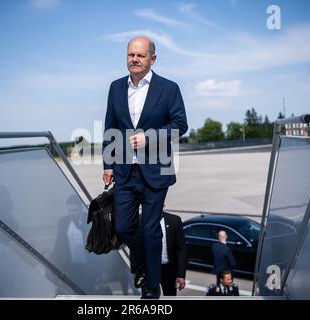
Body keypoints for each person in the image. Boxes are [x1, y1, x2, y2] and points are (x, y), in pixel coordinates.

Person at [102, 36, 188, 299]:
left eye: (140, 55)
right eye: (130, 55)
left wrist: (150, 137)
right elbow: (110, 128)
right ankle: (146, 264)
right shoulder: (116, 88)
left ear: (153, 58)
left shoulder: (168, 88)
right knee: (123, 227)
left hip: (156, 170)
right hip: (125, 170)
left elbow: (180, 125)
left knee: (150, 228)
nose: (134, 59)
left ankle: (151, 289)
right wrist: (107, 164)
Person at [131, 211, 188, 296]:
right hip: (148, 270)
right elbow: (133, 248)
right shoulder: (138, 221)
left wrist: (181, 275)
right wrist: (134, 270)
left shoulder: (174, 220)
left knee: (170, 297)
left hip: (169, 270)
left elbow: (181, 249)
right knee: (149, 297)